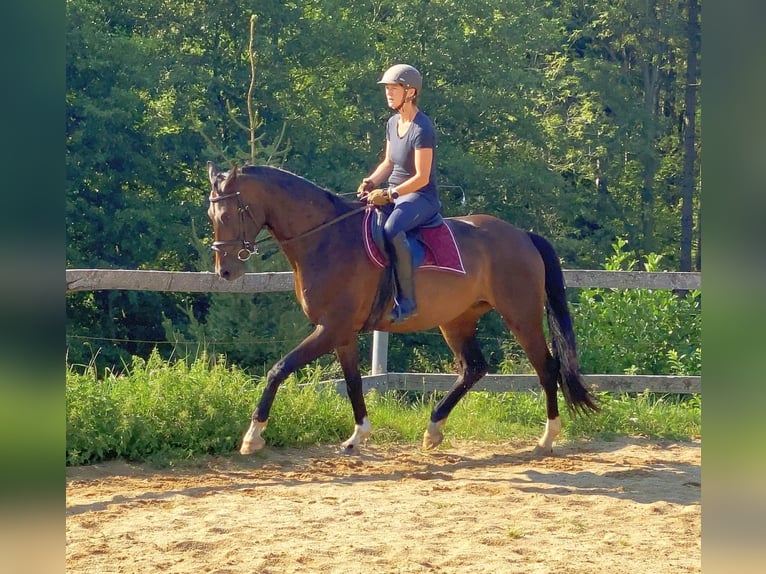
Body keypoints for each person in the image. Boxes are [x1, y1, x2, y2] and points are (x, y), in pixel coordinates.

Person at [357, 64, 442, 323]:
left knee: (392, 229)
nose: (389, 93)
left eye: (394, 88)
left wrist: (390, 194)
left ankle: (407, 301)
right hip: (392, 192)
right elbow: (388, 163)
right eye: (387, 89)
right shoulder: (392, 122)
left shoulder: (422, 128)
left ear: (411, 92)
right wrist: (371, 182)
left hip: (421, 197)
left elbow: (421, 177)